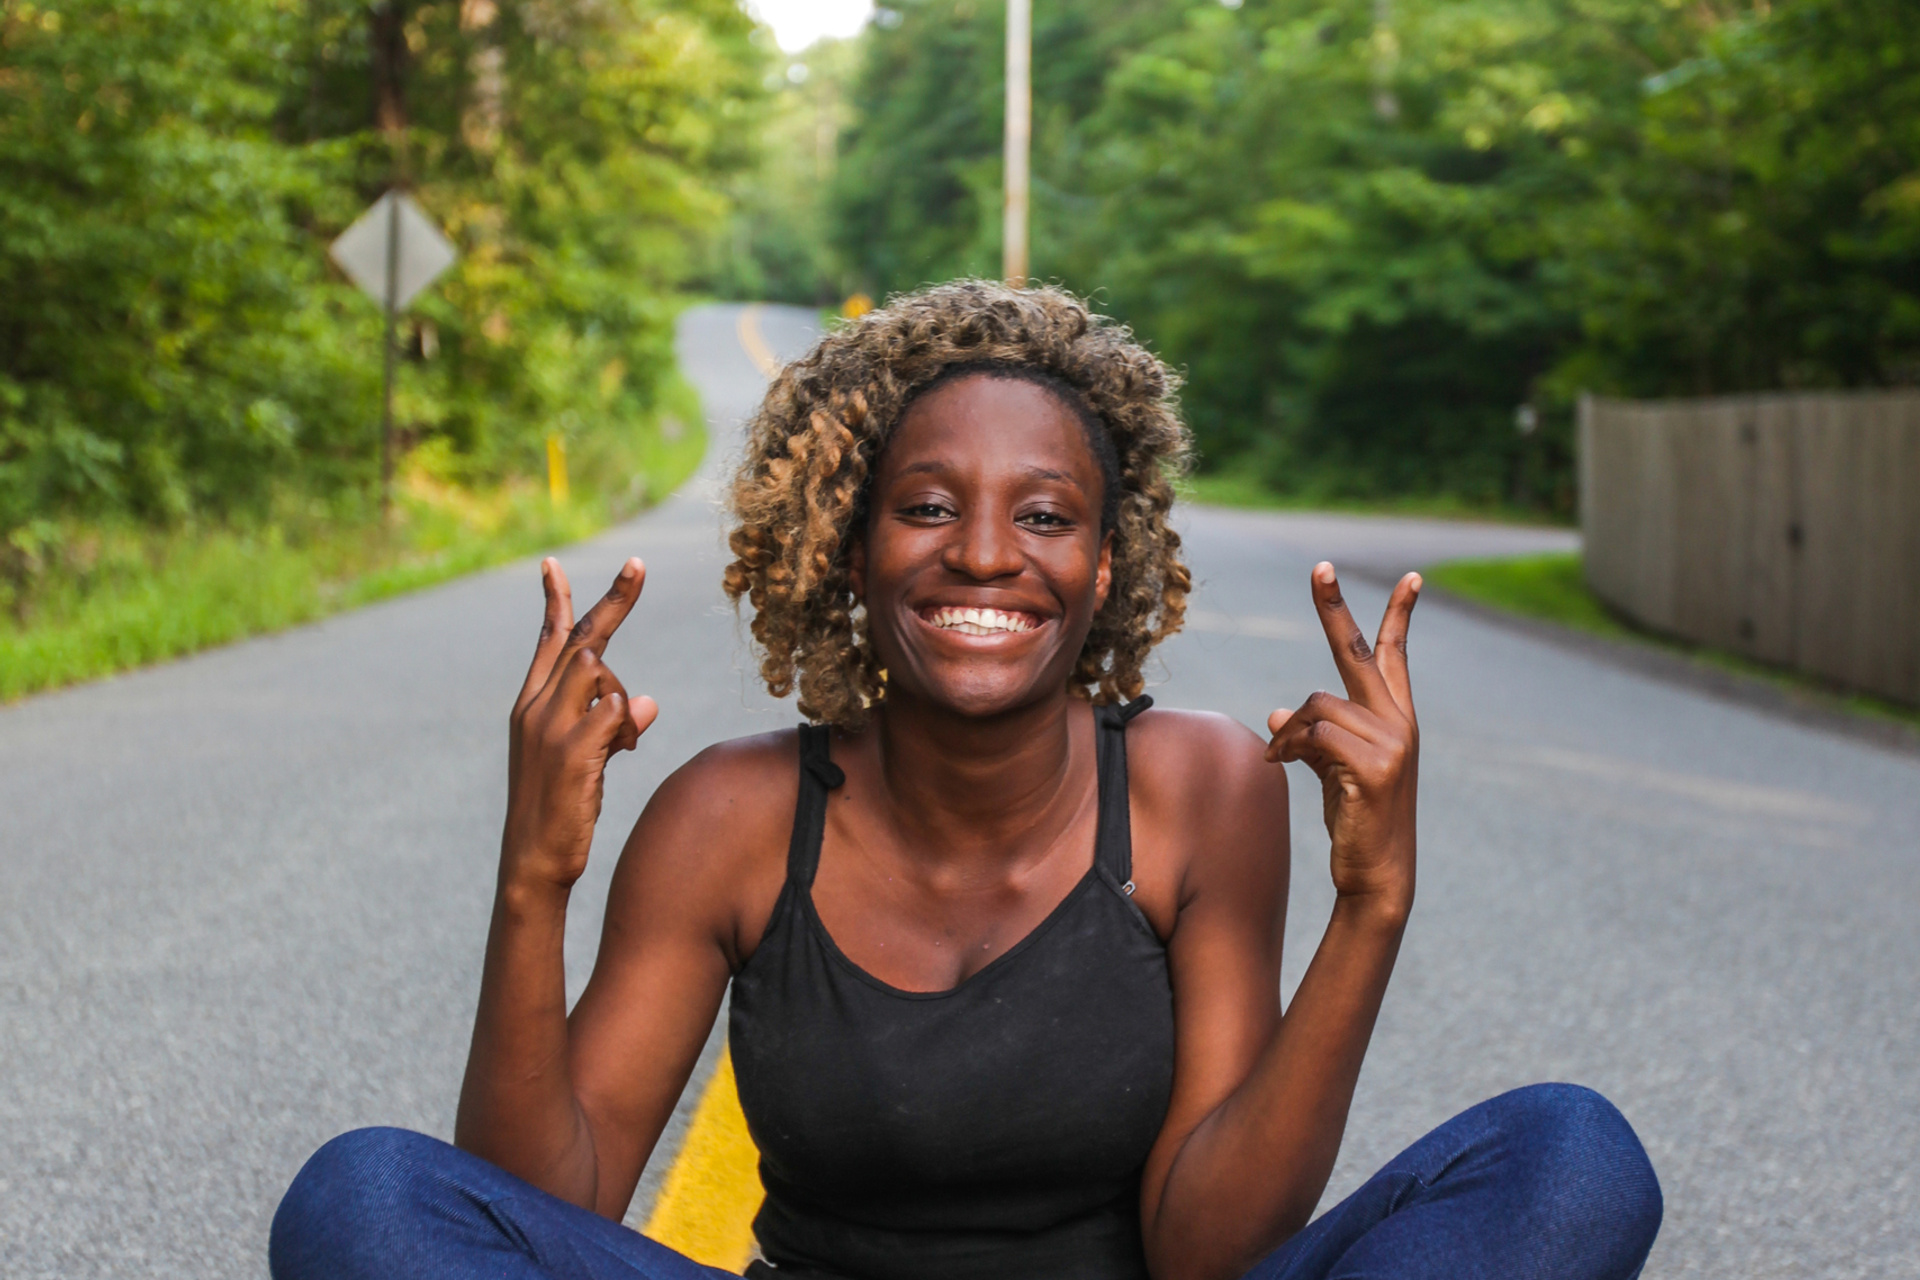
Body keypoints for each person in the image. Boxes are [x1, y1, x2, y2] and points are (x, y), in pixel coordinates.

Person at [270, 282, 1661, 1280]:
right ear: (850, 545)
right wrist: (535, 878)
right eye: (927, 507)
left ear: (1105, 567)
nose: (985, 555)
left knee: (1571, 1158)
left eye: (1045, 516)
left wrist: (1375, 903)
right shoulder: (733, 819)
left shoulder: (1197, 791)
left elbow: (1209, 1248)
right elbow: (533, 1210)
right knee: (366, 1197)